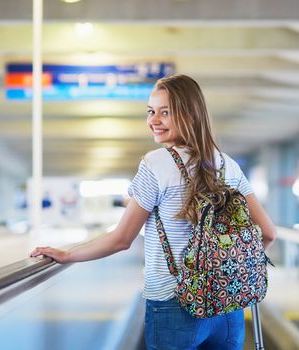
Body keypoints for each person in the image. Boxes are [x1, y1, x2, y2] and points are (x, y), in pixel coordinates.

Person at [30, 74, 276, 349]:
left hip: (174, 304)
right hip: (228, 307)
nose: (153, 120)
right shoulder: (227, 164)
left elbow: (121, 240)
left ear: (190, 115)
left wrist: (67, 254)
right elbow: (268, 233)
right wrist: (229, 270)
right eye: (151, 111)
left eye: (165, 112)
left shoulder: (156, 164)